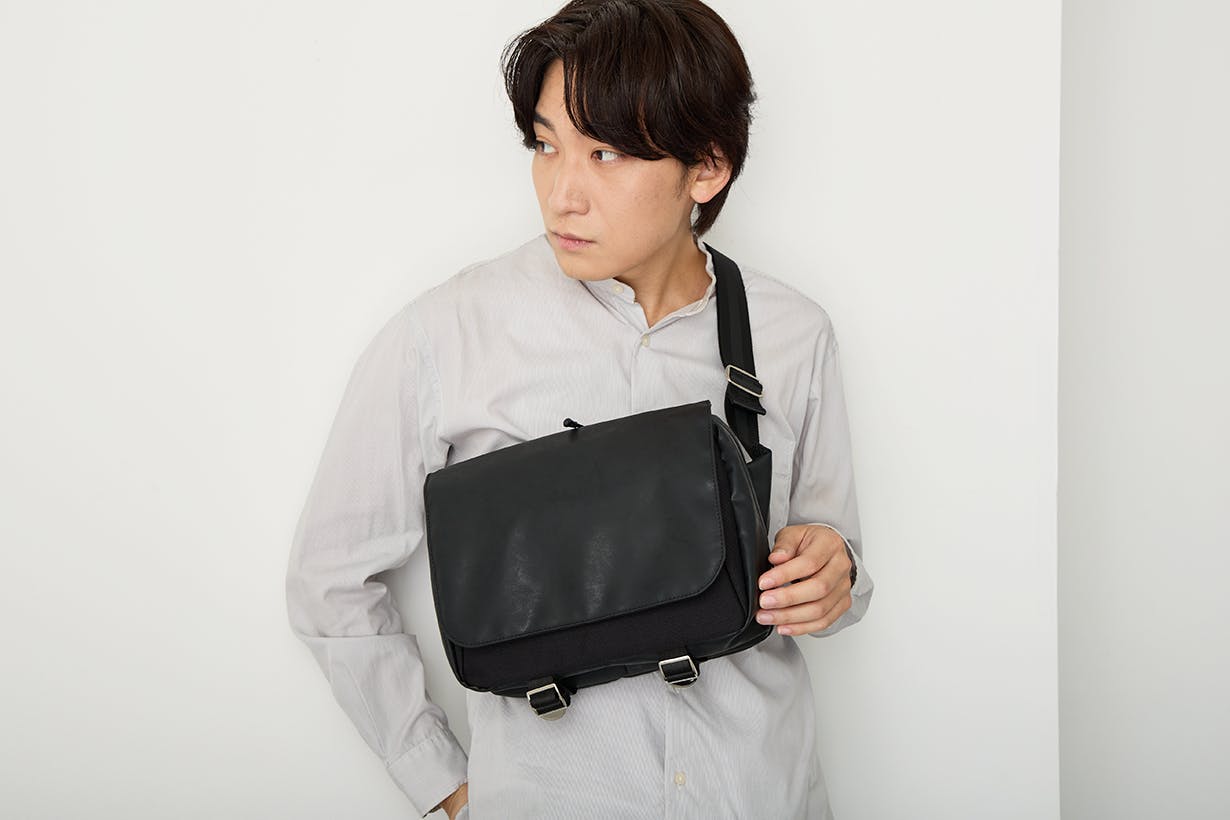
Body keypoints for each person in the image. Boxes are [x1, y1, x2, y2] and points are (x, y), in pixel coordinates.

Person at [285, 1, 875, 817]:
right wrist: (447, 787)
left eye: (605, 153)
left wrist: (837, 573)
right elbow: (329, 579)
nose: (562, 193)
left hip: (761, 794)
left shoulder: (793, 333)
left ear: (706, 168)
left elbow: (835, 561)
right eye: (545, 144)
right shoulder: (445, 334)